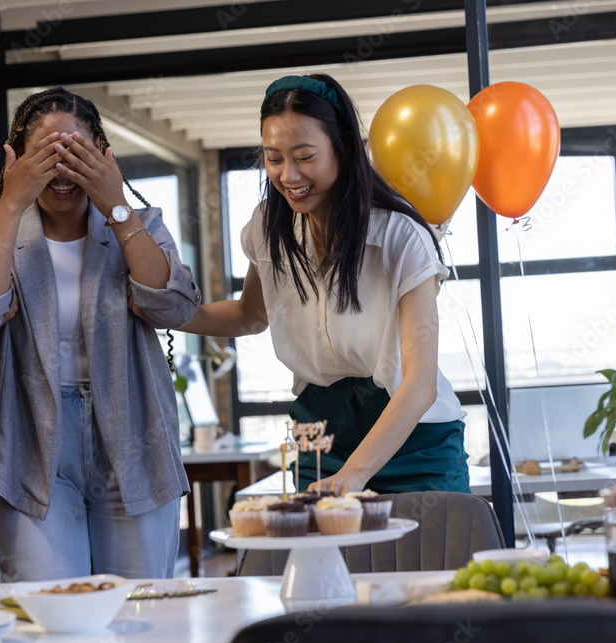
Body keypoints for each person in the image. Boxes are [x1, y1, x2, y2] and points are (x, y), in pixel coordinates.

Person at [0, 87, 200, 582]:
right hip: (28, 438)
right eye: (46, 155)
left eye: (76, 153)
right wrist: (11, 202)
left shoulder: (141, 224)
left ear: (103, 156)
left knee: (138, 613)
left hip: (134, 433)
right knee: (46, 614)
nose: (62, 170)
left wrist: (116, 206)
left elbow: (174, 306)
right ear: (16, 159)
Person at [175, 74, 469, 495]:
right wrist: (165, 313)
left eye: (305, 156)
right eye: (273, 158)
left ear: (344, 148)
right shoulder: (267, 227)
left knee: (425, 560)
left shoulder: (402, 235)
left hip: (413, 440)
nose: (288, 174)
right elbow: (250, 314)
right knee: (328, 561)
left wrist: (356, 473)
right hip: (321, 437)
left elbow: (419, 383)